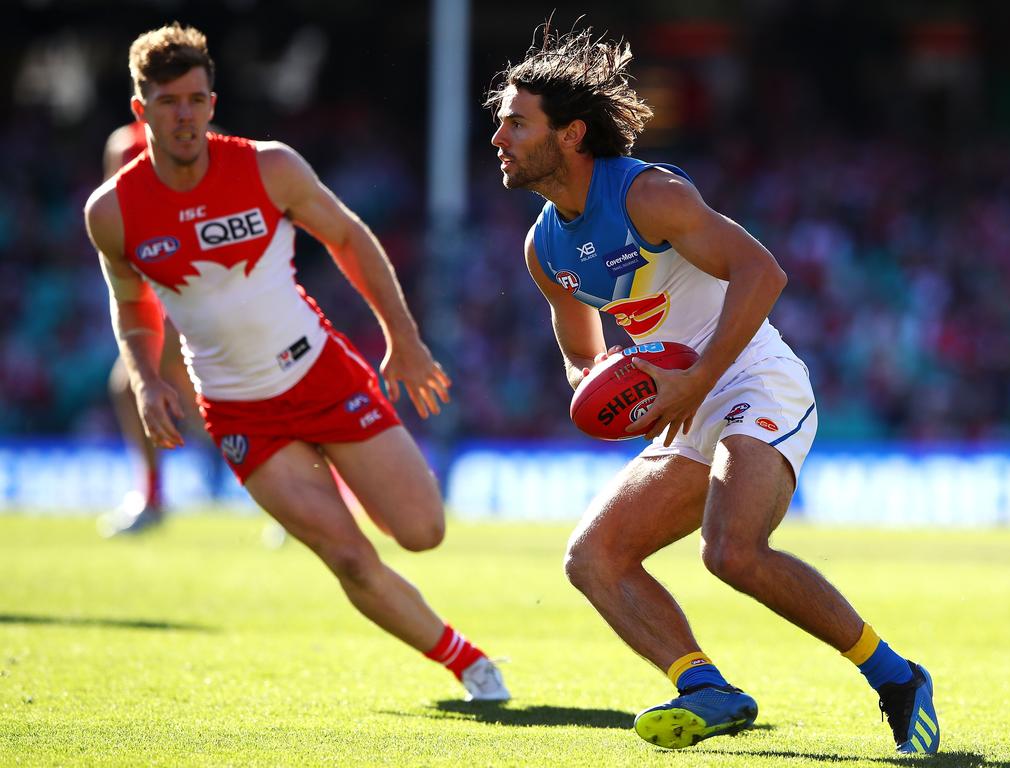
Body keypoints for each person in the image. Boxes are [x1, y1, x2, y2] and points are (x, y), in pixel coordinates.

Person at [486, 25, 937, 751]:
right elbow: (581, 356)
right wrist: (611, 391)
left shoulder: (650, 194)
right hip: (681, 399)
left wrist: (697, 377)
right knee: (591, 558)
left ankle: (897, 677)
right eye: (500, 123)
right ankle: (707, 688)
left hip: (753, 380)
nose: (499, 138)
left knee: (732, 552)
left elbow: (764, 273)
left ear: (570, 135)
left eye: (515, 122)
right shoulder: (544, 249)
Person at [84, 22, 509, 702]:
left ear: (213, 102)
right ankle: (470, 665)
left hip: (322, 374)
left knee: (422, 531)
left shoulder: (268, 165)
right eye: (168, 102)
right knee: (347, 557)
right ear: (142, 111)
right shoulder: (112, 212)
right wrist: (144, 377)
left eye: (196, 98)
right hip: (237, 410)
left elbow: (347, 235)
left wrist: (403, 336)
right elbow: (130, 305)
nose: (184, 114)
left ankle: (349, 472)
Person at [99, 120, 201, 535]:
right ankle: (154, 496)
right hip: (155, 290)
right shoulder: (124, 145)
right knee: (135, 387)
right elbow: (114, 223)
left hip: (200, 287)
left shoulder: (204, 142)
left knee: (211, 399)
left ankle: (305, 487)